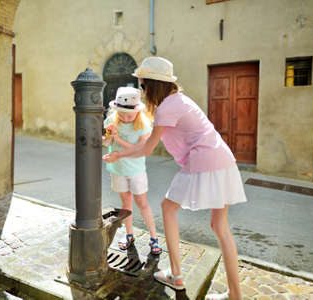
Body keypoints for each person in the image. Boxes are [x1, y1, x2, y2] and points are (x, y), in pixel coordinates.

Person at [103, 57, 247, 300]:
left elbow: (147, 149)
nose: (142, 91)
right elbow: (147, 144)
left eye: (143, 86)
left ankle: (177, 275)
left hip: (203, 161)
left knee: (168, 208)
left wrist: (120, 154)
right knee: (219, 227)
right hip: (223, 160)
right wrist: (121, 153)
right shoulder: (179, 101)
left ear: (153, 85)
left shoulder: (167, 108)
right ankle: (235, 295)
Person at [103, 86, 162, 255]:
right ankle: (129, 235)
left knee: (142, 203)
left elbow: (138, 149)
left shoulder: (144, 126)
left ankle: (154, 237)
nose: (125, 117)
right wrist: (109, 135)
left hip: (136, 171)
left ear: (137, 111)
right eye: (121, 114)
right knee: (126, 205)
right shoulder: (111, 122)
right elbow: (106, 143)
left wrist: (117, 138)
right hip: (118, 170)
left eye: (129, 115)